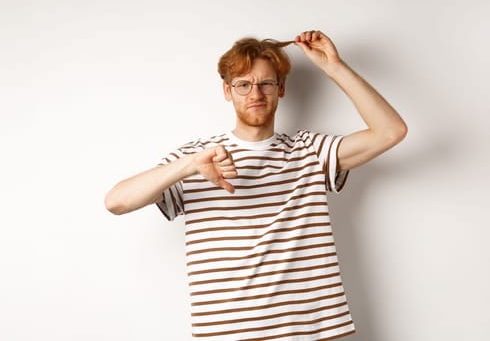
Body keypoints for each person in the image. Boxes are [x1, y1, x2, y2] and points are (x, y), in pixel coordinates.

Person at [104, 30, 406, 340]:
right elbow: (117, 201)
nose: (256, 94)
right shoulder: (197, 158)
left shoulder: (309, 151)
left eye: (265, 83)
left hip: (313, 333)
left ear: (281, 89)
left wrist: (334, 67)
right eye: (243, 85)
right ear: (227, 90)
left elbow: (390, 131)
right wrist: (189, 165)